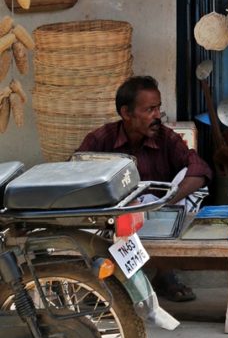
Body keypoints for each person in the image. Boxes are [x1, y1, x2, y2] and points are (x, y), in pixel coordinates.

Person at [77, 75, 212, 301]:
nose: (157, 116)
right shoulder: (101, 140)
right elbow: (75, 176)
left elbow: (200, 169)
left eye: (158, 108)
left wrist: (166, 202)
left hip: (158, 215)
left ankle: (164, 272)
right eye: (149, 110)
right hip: (114, 218)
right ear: (127, 113)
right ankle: (102, 281)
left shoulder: (166, 138)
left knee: (191, 180)